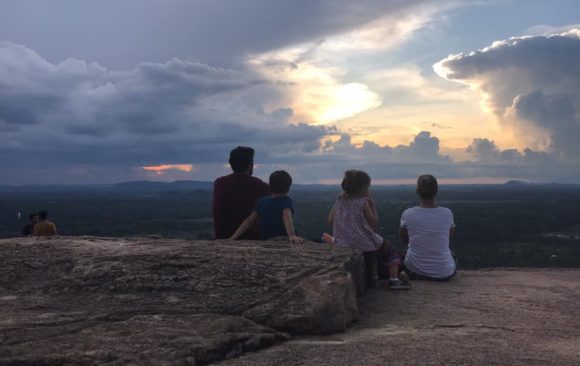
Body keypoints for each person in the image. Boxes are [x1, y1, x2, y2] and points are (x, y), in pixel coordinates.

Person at [326, 170, 409, 290]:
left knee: (372, 253)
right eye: (368, 187)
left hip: (342, 242)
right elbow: (374, 222)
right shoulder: (363, 202)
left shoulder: (339, 201)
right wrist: (372, 205)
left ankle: (374, 277)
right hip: (363, 242)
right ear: (363, 188)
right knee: (391, 250)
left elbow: (330, 220)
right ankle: (394, 280)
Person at [399, 174, 456, 281]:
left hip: (415, 271)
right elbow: (449, 237)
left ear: (417, 191)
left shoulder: (408, 213)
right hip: (445, 273)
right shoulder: (447, 213)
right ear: (436, 190)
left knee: (407, 249)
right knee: (450, 252)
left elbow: (403, 238)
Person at [230, 170, 304, 243]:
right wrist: (292, 235)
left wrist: (233, 238)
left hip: (265, 239)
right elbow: (286, 215)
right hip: (283, 239)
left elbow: (249, 221)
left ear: (270, 186)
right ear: (287, 188)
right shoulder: (286, 201)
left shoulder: (262, 201)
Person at [213, 146, 270, 240]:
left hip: (222, 238)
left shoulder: (219, 183)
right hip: (252, 240)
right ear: (250, 165)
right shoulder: (262, 187)